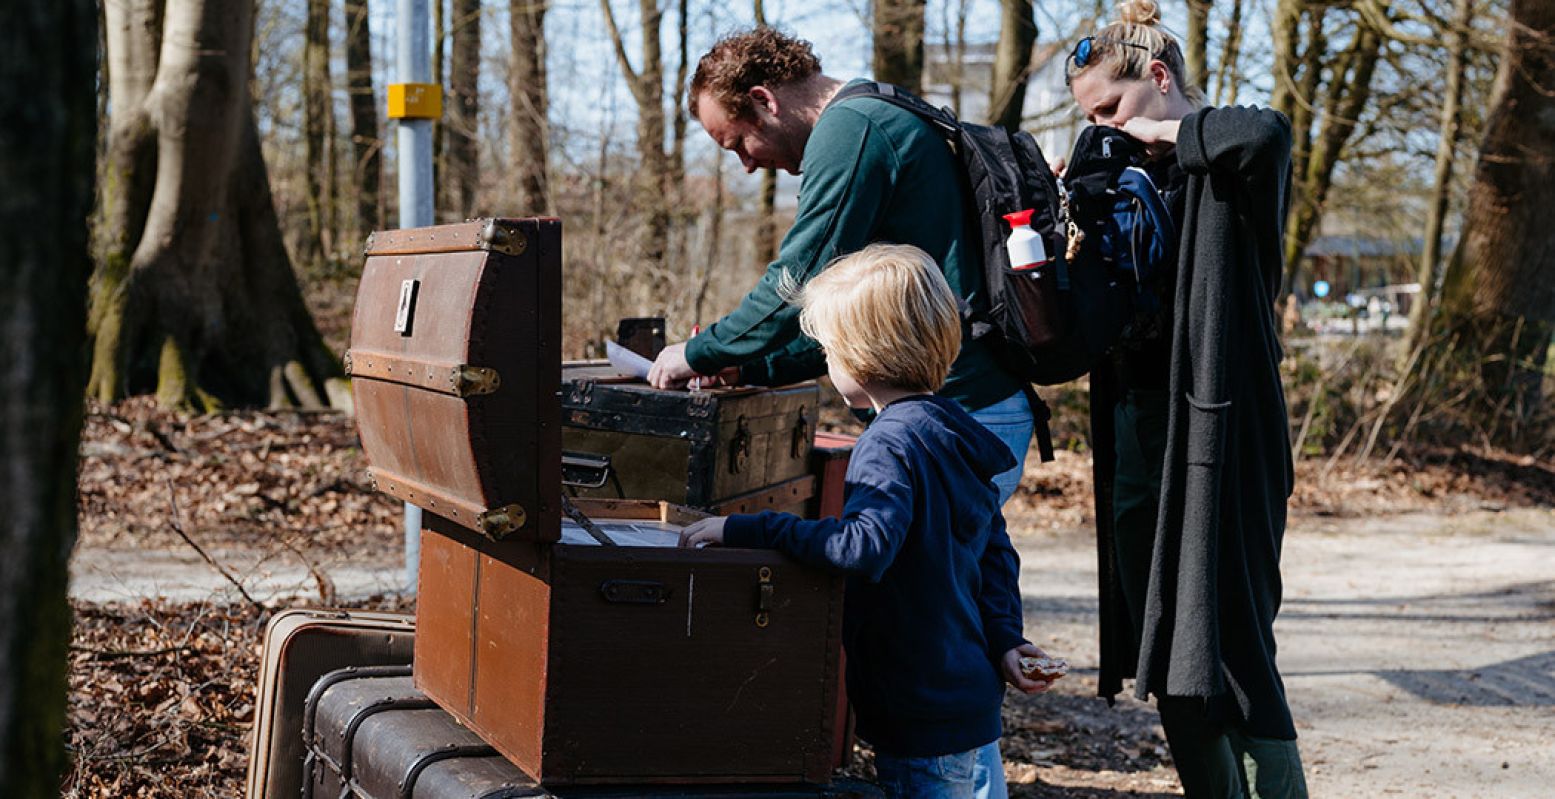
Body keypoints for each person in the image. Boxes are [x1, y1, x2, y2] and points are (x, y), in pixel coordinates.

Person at [678, 244, 1058, 799]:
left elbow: (863, 547)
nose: (828, 363)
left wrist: (744, 529)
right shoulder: (948, 429)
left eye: (830, 350)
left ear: (861, 355)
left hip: (919, 711)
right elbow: (994, 550)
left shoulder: (888, 443)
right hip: (967, 702)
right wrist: (1005, 638)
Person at [1064, 2, 1309, 798]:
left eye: (1111, 106)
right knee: (1162, 642)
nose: (1103, 126)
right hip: (1138, 429)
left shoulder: (1229, 155)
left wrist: (1161, 135)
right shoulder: (1119, 171)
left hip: (1225, 432)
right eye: (1090, 116)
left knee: (1232, 643)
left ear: (1159, 79)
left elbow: (1264, 131)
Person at [646, 27, 1034, 504]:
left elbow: (795, 284)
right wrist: (747, 366)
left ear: (764, 100)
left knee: (924, 577)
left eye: (739, 144)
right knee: (958, 574)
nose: (746, 166)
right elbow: (851, 325)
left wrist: (699, 352)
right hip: (965, 409)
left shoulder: (852, 130)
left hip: (957, 410)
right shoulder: (877, 112)